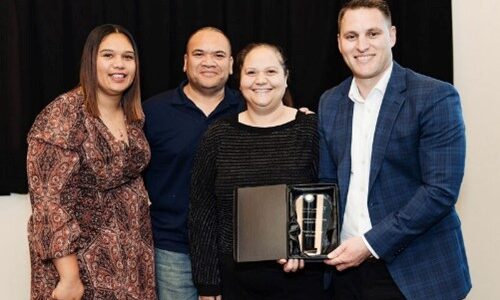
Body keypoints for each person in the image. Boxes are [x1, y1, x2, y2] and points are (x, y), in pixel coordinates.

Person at [318, 0, 472, 299]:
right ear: (339, 43)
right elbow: (327, 185)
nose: (362, 45)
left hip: (416, 272)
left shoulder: (435, 97)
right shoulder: (330, 102)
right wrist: (304, 242)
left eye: (373, 34)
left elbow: (440, 191)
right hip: (344, 271)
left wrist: (370, 244)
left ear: (392, 36)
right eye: (351, 36)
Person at [26, 24, 156, 300]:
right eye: (108, 55)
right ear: (90, 60)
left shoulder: (133, 115)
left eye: (128, 57)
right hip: (81, 266)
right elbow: (49, 201)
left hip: (132, 263)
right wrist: (69, 276)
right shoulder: (64, 113)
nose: (119, 65)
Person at [189, 43, 327, 300]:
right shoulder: (217, 136)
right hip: (235, 282)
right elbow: (202, 211)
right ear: (239, 81)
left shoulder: (311, 130)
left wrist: (304, 249)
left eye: (271, 72)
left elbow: (327, 193)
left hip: (300, 278)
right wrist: (207, 284)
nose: (261, 80)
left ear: (286, 77)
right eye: (251, 73)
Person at [142, 27, 243, 300]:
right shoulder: (152, 112)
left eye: (219, 55)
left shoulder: (249, 108)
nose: (209, 62)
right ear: (185, 62)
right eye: (199, 54)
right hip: (173, 251)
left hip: (237, 252)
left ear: (232, 65)